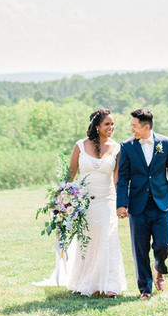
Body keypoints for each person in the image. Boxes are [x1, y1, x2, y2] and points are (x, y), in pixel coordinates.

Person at [35, 108, 127, 297]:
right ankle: (86, 282)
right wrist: (61, 202)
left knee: (107, 238)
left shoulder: (117, 148)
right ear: (96, 126)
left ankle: (110, 285)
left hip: (106, 200)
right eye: (107, 124)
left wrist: (122, 203)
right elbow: (70, 174)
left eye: (113, 124)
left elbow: (118, 180)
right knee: (87, 240)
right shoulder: (80, 145)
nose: (111, 127)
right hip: (83, 202)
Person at [116, 108, 168, 299]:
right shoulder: (126, 146)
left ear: (146, 126)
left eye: (134, 125)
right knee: (140, 248)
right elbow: (123, 177)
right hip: (137, 205)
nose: (131, 128)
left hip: (162, 202)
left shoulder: (166, 143)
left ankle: (159, 267)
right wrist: (121, 204)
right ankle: (145, 288)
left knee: (162, 245)